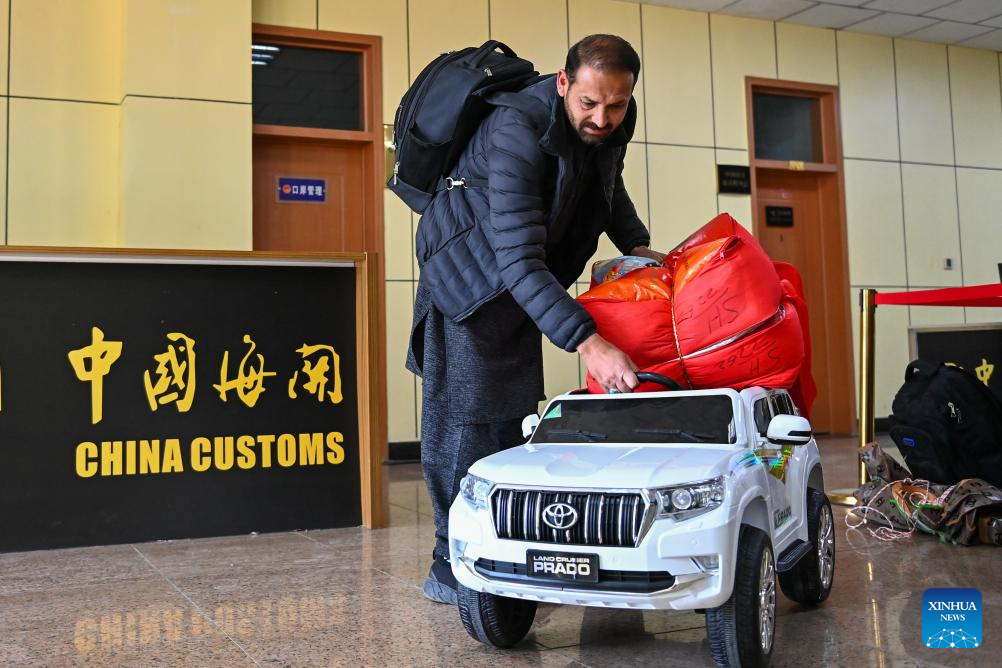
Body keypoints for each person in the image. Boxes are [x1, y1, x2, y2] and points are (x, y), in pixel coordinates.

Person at [406, 34, 663, 604]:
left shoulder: (610, 121)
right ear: (563, 82)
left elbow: (606, 184)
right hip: (467, 281)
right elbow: (516, 258)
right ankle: (450, 566)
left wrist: (637, 245)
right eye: (589, 103)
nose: (602, 118)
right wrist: (588, 342)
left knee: (511, 420)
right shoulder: (516, 129)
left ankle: (501, 553)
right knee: (466, 425)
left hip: (522, 283)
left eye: (617, 105)